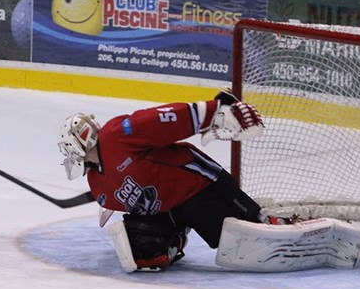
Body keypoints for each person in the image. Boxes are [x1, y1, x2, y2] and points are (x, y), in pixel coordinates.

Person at [57, 89, 266, 271]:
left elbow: (161, 120)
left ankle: (272, 219)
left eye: (69, 149)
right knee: (140, 253)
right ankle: (177, 236)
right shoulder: (96, 182)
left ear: (77, 144)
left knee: (249, 243)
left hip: (199, 188)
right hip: (169, 210)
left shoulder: (116, 136)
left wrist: (215, 111)